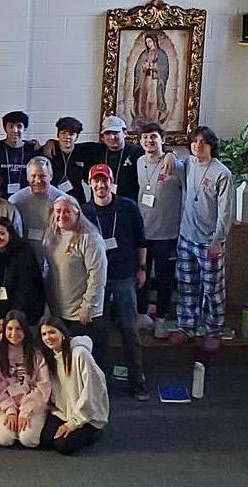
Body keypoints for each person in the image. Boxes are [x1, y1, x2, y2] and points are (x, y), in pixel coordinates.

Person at [82, 163, 149, 399]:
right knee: (99, 333)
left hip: (123, 277)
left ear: (112, 182)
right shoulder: (84, 212)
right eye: (96, 181)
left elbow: (141, 241)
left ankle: (137, 380)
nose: (101, 185)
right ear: (90, 183)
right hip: (96, 281)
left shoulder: (128, 207)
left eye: (105, 180)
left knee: (130, 331)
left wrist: (142, 268)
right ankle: (102, 382)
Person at [173, 126, 233, 352]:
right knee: (186, 284)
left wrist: (218, 240)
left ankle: (213, 329)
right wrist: (169, 155)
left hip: (209, 240)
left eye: (203, 142)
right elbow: (171, 161)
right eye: (194, 141)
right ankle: (186, 326)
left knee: (212, 289)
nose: (198, 145)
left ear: (211, 146)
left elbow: (225, 212)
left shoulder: (222, 173)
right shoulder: (188, 164)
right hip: (186, 236)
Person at [137, 123, 184, 338]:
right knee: (141, 277)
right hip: (143, 234)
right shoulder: (139, 162)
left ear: (162, 140)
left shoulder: (174, 165)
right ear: (140, 141)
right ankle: (142, 315)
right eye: (145, 137)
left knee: (165, 279)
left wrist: (172, 154)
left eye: (154, 137)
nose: (149, 141)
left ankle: (162, 320)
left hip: (167, 234)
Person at [43, 195, 108, 348]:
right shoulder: (51, 237)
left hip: (83, 314)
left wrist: (88, 306)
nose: (61, 215)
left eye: (67, 211)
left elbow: (97, 275)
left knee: (85, 356)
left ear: (77, 213)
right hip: (59, 312)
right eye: (58, 211)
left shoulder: (90, 238)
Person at [38, 316, 109, 455]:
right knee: (45, 440)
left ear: (62, 333)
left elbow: (93, 391)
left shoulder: (80, 354)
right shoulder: (50, 356)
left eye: (52, 332)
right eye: (44, 334)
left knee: (62, 446)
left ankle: (95, 433)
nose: (48, 337)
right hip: (65, 411)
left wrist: (73, 423)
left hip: (88, 415)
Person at [0, 311, 50, 448]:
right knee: (5, 439)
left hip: (31, 404)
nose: (14, 333)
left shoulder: (36, 352)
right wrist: (10, 409)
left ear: (25, 330)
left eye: (18, 329)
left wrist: (25, 411)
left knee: (28, 439)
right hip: (5, 403)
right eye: (9, 329)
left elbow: (43, 385)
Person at [0, 217, 45, 336]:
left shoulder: (24, 252)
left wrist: (11, 317)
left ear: (10, 234)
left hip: (21, 310)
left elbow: (26, 288)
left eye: (1, 233)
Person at [9, 156, 66, 266]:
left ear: (50, 176)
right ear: (27, 177)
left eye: (42, 176)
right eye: (33, 176)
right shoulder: (15, 201)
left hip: (55, 259)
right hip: (24, 261)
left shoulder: (63, 200)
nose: (38, 180)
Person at [0, 111, 39, 196]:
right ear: (5, 128)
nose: (15, 130)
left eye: (19, 126)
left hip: (26, 198)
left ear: (25, 128)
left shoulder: (32, 150)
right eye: (11, 126)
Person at [44, 117, 86, 203]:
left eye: (72, 134)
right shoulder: (49, 151)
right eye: (63, 133)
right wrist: (49, 141)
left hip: (77, 200)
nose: (67, 137)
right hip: (53, 199)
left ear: (77, 137)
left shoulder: (84, 151)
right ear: (57, 135)